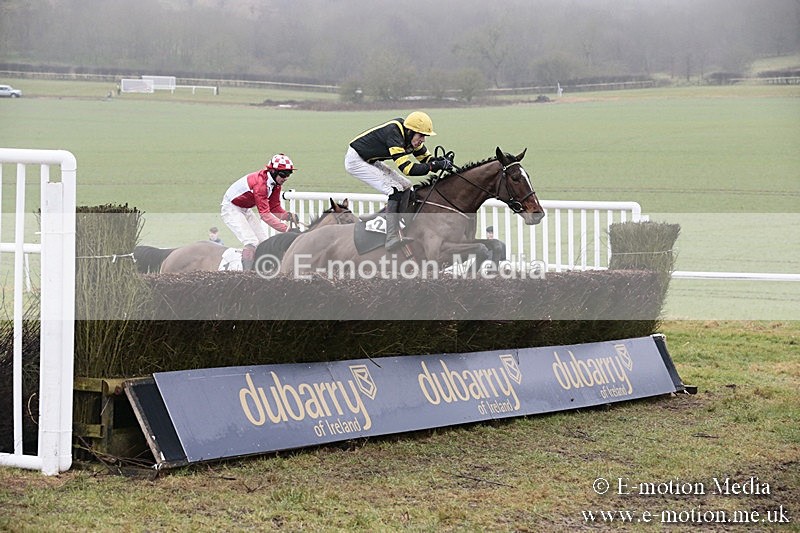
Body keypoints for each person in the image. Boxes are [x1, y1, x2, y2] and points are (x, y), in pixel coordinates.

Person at [345, 111, 453, 250]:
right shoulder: (394, 133)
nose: (423, 140)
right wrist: (434, 166)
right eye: (421, 136)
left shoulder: (411, 137)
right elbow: (407, 169)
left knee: (406, 186)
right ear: (410, 131)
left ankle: (387, 221)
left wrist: (441, 161)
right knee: (394, 189)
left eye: (424, 136)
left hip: (370, 160)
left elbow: (426, 160)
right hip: (355, 161)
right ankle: (391, 237)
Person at [221, 153, 300, 270]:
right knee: (251, 241)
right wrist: (287, 229)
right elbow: (265, 215)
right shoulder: (260, 184)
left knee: (263, 242)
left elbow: (274, 206)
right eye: (283, 174)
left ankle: (261, 270)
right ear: (273, 171)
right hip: (231, 208)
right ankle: (247, 276)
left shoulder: (275, 184)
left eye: (289, 174)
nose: (285, 178)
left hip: (245, 209)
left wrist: (287, 216)